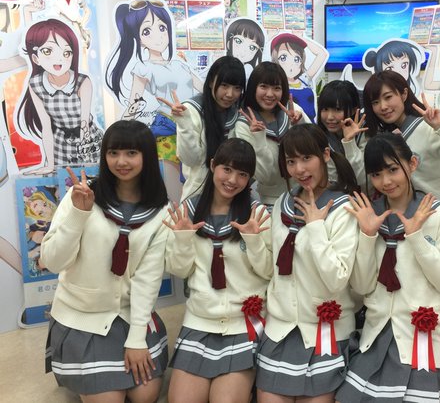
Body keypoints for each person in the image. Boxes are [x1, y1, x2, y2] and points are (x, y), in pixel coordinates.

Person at [41, 120, 170, 402]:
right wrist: (78, 215)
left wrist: (137, 339)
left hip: (128, 314)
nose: (121, 161)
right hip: (84, 316)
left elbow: (147, 278)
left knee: (146, 396)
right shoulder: (82, 195)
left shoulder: (161, 210)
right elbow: (52, 261)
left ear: (147, 156)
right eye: (113, 153)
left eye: (131, 153)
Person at [336, 133, 440, 402]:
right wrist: (368, 236)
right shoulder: (369, 215)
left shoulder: (438, 214)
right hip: (376, 336)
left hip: (424, 344)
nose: (386, 181)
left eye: (393, 170)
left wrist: (417, 238)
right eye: (376, 174)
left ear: (412, 164)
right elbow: (361, 287)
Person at [255, 123, 360, 402]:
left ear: (325, 155)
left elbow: (337, 279)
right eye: (291, 161)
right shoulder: (282, 203)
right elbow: (271, 270)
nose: (299, 169)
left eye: (306, 158)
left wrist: (315, 228)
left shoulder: (344, 208)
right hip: (280, 330)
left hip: (325, 333)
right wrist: (253, 241)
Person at [164, 138, 271, 403]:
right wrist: (183, 239)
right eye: (227, 169)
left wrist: (254, 241)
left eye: (242, 174)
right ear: (213, 166)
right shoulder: (187, 211)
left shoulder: (256, 214)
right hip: (199, 322)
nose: (232, 180)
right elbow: (180, 270)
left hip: (243, 325)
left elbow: (269, 272)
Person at [363, 71, 440, 207]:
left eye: (388, 97)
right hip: (414, 215)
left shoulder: (428, 128)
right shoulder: (385, 139)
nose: (383, 106)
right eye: (375, 102)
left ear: (404, 94)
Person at [105, 0, 202, 162]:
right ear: (139, 39)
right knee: (173, 175)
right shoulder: (143, 68)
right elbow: (134, 104)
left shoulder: (180, 63)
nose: (158, 36)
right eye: (147, 31)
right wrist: (120, 136)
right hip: (168, 129)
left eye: (162, 28)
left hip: (193, 126)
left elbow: (204, 89)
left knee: (195, 171)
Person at [15, 18, 103, 174]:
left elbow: (84, 123)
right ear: (35, 58)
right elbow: (46, 126)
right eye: (48, 51)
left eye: (66, 52)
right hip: (60, 142)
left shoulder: (82, 82)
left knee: (92, 179)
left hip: (88, 139)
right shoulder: (36, 84)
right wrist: (50, 164)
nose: (59, 59)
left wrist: (86, 159)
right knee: (63, 183)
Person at [160, 56, 246, 199]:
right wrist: (184, 124)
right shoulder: (192, 110)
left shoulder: (239, 114)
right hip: (198, 194)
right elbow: (190, 160)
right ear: (211, 82)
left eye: (237, 88)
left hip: (231, 194)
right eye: (224, 85)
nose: (230, 94)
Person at [232, 61, 309, 206]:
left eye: (276, 88)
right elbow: (264, 176)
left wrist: (299, 124)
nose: (270, 94)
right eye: (263, 86)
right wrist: (259, 137)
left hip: (305, 192)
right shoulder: (244, 125)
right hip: (270, 200)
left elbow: (314, 152)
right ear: (253, 88)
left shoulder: (292, 110)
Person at [316, 80, 367, 190]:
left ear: (353, 110)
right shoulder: (321, 137)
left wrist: (349, 142)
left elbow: (361, 180)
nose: (330, 117)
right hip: (335, 197)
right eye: (325, 109)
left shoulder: (366, 133)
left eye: (338, 109)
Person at [271, 33, 328, 122]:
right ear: (275, 60)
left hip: (311, 126)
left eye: (296, 59)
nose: (291, 64)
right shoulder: (277, 85)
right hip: (291, 126)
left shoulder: (304, 79)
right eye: (283, 58)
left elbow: (322, 54)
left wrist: (302, 38)